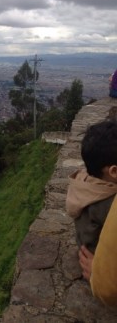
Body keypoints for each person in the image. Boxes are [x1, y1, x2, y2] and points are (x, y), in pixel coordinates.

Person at [78, 121, 117, 305]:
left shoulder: (84, 184)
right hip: (99, 265)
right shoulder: (108, 204)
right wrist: (100, 273)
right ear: (113, 172)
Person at [67, 121, 117, 254]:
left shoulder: (84, 181)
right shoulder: (109, 204)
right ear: (114, 172)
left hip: (85, 246)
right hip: (101, 263)